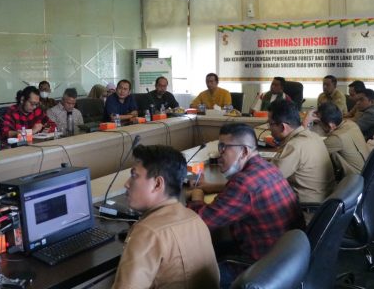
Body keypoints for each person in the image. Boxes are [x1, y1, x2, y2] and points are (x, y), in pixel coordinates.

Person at [188, 123, 304, 287]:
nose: (219, 153)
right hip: (287, 260)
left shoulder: (244, 183)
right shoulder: (267, 167)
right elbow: (247, 193)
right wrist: (210, 187)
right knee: (212, 250)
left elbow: (201, 221)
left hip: (262, 268)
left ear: (243, 151)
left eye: (223, 147)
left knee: (194, 277)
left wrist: (196, 195)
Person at [112, 144, 219, 289]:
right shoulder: (195, 218)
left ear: (157, 184)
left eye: (134, 176)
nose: (127, 184)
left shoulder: (147, 232)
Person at [269, 99, 336, 204]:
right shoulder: (313, 136)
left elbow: (268, 179)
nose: (269, 128)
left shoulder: (294, 146)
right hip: (324, 199)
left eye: (270, 124)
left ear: (282, 127)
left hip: (306, 208)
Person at [318, 102, 369, 179]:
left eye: (319, 123)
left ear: (331, 125)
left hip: (354, 180)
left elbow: (311, 152)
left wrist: (305, 123)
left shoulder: (337, 138)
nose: (319, 125)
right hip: (366, 171)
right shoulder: (351, 124)